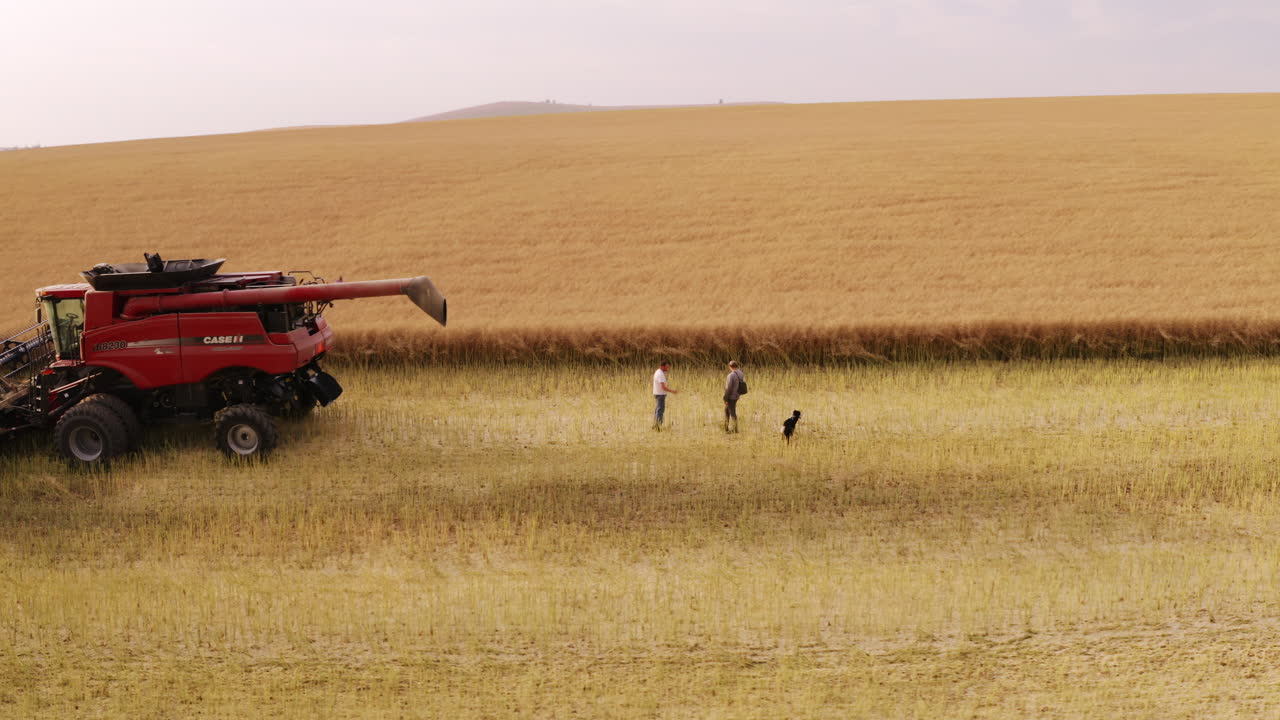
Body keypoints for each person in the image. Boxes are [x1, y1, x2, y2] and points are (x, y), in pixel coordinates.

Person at [652, 361, 678, 429]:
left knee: (658, 410)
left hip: (658, 394)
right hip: (660, 394)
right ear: (662, 366)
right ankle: (658, 426)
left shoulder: (659, 372)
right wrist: (672, 391)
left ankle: (655, 425)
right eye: (667, 367)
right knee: (660, 410)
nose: (668, 368)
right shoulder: (660, 374)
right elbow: (663, 387)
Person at [723, 360, 745, 433]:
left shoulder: (731, 375)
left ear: (730, 367)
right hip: (737, 395)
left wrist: (725, 398)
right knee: (727, 410)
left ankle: (735, 430)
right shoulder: (740, 373)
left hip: (731, 396)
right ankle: (726, 428)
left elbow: (728, 388)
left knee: (732, 412)